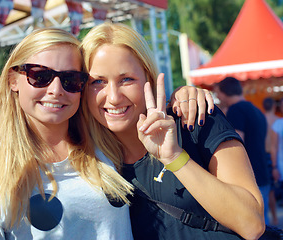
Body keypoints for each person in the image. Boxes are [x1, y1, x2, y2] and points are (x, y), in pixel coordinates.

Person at [0, 28, 135, 240]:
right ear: (13, 80)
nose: (56, 89)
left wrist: (176, 100)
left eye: (70, 79)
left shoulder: (109, 142)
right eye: (40, 76)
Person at [80, 22, 264, 240]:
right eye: (97, 82)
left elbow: (252, 224)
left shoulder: (195, 118)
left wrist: (174, 157)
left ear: (148, 78)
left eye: (126, 79)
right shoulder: (88, 158)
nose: (113, 97)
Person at [214, 77, 270, 225]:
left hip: (249, 175)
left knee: (255, 226)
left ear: (224, 92)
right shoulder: (256, 110)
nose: (217, 97)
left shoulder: (236, 110)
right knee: (266, 224)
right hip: (262, 170)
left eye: (218, 92)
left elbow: (237, 146)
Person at [262, 97, 279, 225]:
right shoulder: (278, 121)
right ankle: (274, 217)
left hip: (265, 156)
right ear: (274, 106)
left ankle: (272, 218)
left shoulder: (261, 119)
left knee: (269, 190)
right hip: (276, 157)